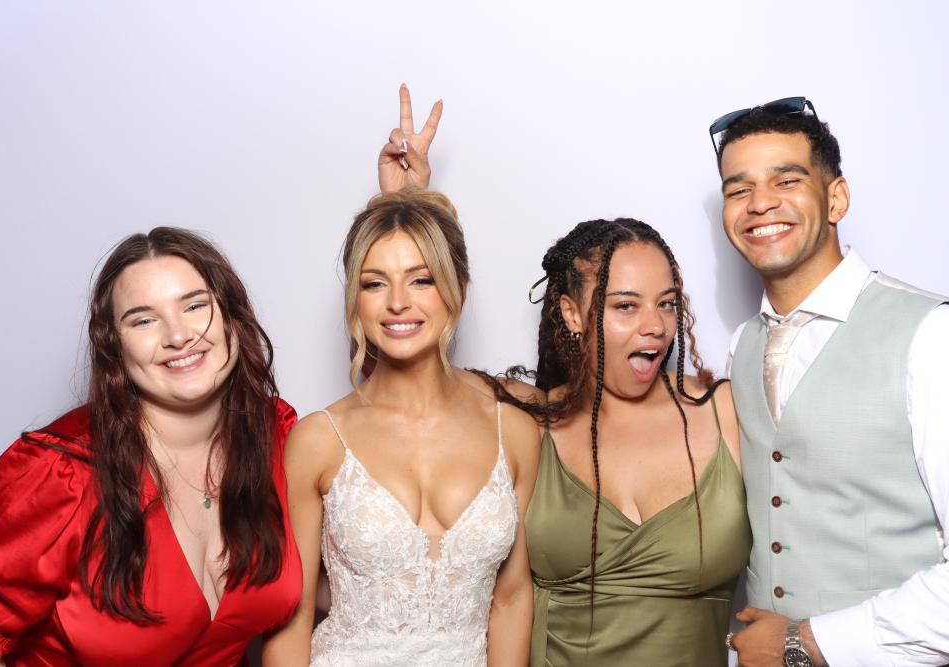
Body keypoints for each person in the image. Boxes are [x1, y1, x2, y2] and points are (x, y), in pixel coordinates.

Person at [380, 86, 750, 666]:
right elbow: (410, 358)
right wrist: (406, 208)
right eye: (625, 306)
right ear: (573, 315)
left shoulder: (723, 410)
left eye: (667, 304)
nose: (655, 326)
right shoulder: (530, 419)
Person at [0, 227, 303, 666]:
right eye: (143, 320)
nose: (178, 335)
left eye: (195, 306)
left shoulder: (276, 436)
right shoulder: (55, 475)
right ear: (114, 346)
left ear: (233, 317)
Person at [711, 97, 949, 667]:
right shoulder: (740, 345)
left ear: (836, 198)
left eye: (786, 180)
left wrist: (806, 642)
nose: (760, 203)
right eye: (739, 189)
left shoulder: (930, 334)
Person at [262, 189, 540, 666]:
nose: (397, 302)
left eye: (421, 280)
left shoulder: (513, 432)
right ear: (355, 299)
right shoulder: (317, 441)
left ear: (458, 288)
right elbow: (292, 616)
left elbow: (512, 599)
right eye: (374, 284)